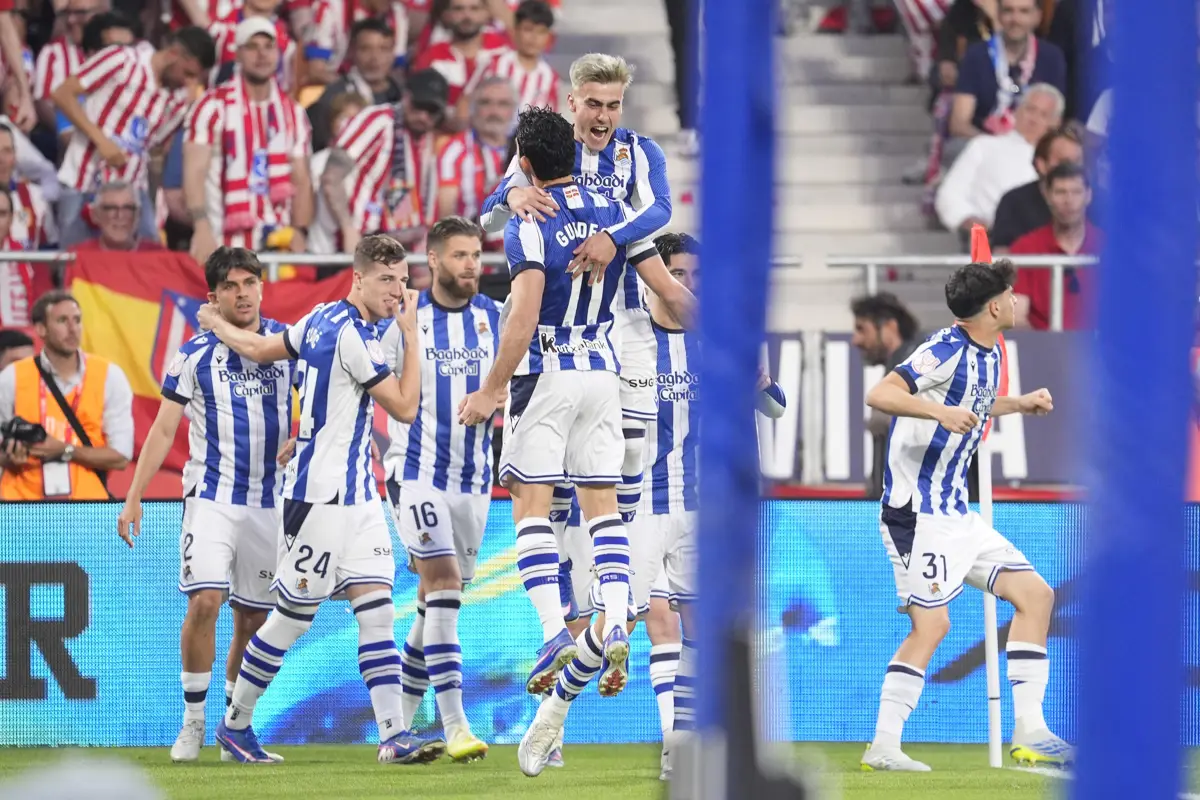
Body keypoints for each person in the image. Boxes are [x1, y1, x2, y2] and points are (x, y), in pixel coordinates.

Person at [456, 106, 692, 777]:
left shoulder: (531, 219)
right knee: (601, 511)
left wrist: (494, 387)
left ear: (525, 164)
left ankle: (552, 631)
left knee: (530, 506)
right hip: (604, 374)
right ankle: (615, 621)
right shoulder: (614, 207)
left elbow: (524, 310)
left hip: (550, 374)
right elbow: (665, 280)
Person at [196, 234, 441, 765]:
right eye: (386, 281)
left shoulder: (318, 317)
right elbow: (402, 407)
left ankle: (394, 737)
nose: (397, 291)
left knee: (378, 611)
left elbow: (263, 349)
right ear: (358, 278)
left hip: (358, 495)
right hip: (318, 496)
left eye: (402, 281)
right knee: (290, 619)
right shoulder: (356, 336)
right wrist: (412, 336)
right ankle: (235, 726)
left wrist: (218, 326)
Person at [861, 259, 1070, 771]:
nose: (1019, 300)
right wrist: (937, 411)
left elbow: (972, 403)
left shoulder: (991, 351)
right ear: (994, 305)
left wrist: (1016, 404)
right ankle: (883, 747)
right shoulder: (944, 348)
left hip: (958, 511)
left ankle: (1030, 731)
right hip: (918, 513)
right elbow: (880, 393)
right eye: (1012, 293)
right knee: (931, 627)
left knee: (1036, 597)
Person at [480, 52, 673, 583]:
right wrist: (513, 191)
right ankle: (574, 582)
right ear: (573, 102)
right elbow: (488, 210)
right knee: (558, 476)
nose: (603, 117)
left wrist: (612, 237)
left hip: (622, 319)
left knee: (625, 457)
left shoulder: (640, 152)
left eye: (613, 105)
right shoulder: (550, 148)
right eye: (593, 104)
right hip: (554, 323)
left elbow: (661, 211)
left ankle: (614, 586)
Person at [116, 248, 292, 764]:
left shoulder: (286, 346)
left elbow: (327, 404)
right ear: (213, 297)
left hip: (269, 501)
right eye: (232, 286)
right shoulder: (194, 354)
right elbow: (164, 427)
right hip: (211, 498)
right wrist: (134, 495)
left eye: (250, 283)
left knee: (253, 621)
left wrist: (302, 438)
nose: (243, 293)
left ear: (262, 287)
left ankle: (236, 727)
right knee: (206, 601)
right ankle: (192, 721)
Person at [379, 216, 499, 763]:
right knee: (444, 581)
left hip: (474, 483)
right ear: (432, 260)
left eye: (476, 254)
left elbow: (520, 390)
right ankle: (455, 726)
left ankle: (394, 736)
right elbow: (365, 389)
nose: (471, 265)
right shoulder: (404, 323)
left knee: (435, 608)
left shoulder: (497, 321)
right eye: (459, 255)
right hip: (416, 472)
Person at [52, 26, 216, 247]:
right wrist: (101, 140)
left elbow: (154, 144)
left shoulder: (178, 100)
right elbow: (63, 93)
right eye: (187, 74)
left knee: (149, 264)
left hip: (133, 191)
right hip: (83, 180)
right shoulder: (122, 59)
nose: (189, 83)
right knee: (73, 263)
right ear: (173, 54)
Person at [183, 18, 313, 265]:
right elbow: (194, 172)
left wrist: (301, 230)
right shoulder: (211, 106)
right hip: (222, 242)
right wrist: (200, 227)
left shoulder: (292, 112)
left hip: (277, 246)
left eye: (269, 46)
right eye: (252, 47)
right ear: (238, 54)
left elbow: (301, 179)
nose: (262, 54)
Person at [0, 290, 133, 500]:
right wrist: (10, 457)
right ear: (41, 329)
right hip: (23, 510)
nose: (73, 329)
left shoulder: (109, 376)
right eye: (62, 321)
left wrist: (65, 450)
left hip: (87, 511)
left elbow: (121, 457)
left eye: (77, 320)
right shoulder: (11, 377)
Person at [319, 68, 448, 254]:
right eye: (418, 106)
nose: (423, 116)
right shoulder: (377, 121)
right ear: (406, 97)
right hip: (354, 243)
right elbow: (331, 177)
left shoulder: (427, 140)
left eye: (432, 111)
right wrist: (348, 229)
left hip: (394, 247)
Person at [1008, 162, 1099, 330]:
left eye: (1076, 192)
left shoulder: (1107, 247)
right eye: (1060, 192)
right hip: (1041, 351)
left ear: (1088, 195)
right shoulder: (1025, 248)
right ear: (1047, 195)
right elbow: (1017, 317)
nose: (1068, 200)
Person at [850, 292, 922, 500]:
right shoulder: (898, 369)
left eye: (862, 329)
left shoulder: (918, 364)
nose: (856, 340)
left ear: (890, 327)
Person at [435, 75, 515, 246]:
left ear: (513, 110)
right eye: (485, 103)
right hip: (472, 250)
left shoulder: (524, 149)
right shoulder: (454, 151)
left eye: (503, 104)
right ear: (473, 108)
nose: (494, 111)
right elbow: (446, 216)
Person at [306, 19, 403, 153]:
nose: (375, 57)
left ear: (393, 53)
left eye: (383, 49)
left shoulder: (403, 95)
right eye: (365, 49)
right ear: (352, 52)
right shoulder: (333, 96)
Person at [990, 124, 1083, 251]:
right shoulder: (1013, 202)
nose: (1071, 169)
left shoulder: (1101, 203)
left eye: (1077, 162)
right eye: (1063, 162)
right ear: (1041, 165)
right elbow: (1001, 257)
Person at [481, 0, 559, 112]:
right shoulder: (494, 64)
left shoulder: (550, 77)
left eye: (541, 32)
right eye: (528, 29)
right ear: (515, 31)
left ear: (549, 36)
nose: (534, 38)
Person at [71, 180, 166, 251]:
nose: (120, 215)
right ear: (95, 215)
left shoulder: (157, 254)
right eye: (110, 208)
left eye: (128, 208)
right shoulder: (78, 256)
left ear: (138, 215)